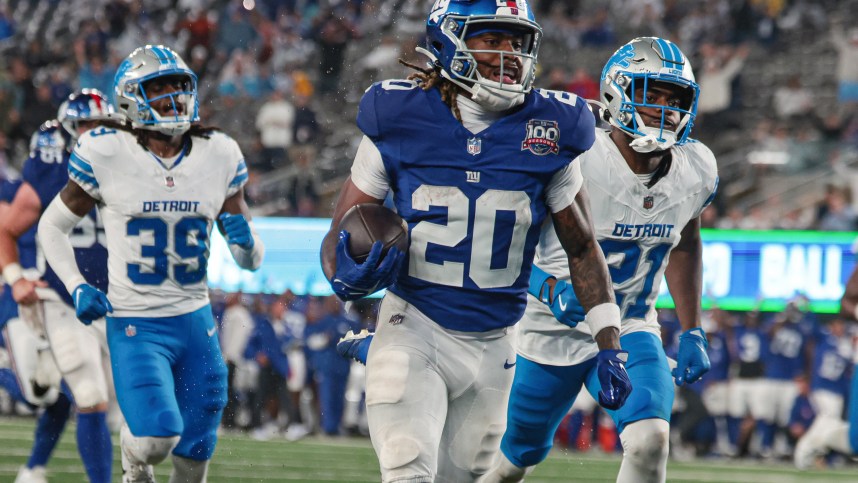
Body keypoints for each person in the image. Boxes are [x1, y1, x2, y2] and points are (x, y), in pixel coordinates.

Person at [321, 1, 630, 481]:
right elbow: (341, 230)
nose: (509, 55)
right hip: (414, 327)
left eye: (516, 41)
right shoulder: (397, 114)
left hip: (495, 346)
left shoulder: (552, 129)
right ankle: (378, 346)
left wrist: (609, 342)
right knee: (406, 466)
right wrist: (344, 276)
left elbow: (582, 248)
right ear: (449, 41)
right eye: (492, 39)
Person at [479, 37, 718, 483]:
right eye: (652, 95)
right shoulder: (579, 155)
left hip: (630, 327)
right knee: (512, 462)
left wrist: (692, 328)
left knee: (651, 442)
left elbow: (685, 240)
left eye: (674, 99)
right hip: (549, 330)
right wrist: (548, 287)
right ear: (617, 93)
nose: (665, 110)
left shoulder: (696, 168)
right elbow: (504, 241)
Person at [36, 45, 264, 483]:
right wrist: (76, 284)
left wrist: (247, 244)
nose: (173, 99)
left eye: (179, 88)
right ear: (129, 98)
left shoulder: (219, 153)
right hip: (137, 321)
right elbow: (51, 227)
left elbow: (249, 261)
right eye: (158, 89)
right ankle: (131, 455)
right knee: (157, 439)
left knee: (197, 449)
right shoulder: (106, 151)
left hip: (196, 321)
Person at [0, 90, 116, 483]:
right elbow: (8, 227)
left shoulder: (130, 159)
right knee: (64, 392)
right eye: (85, 126)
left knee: (93, 402)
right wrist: (15, 278)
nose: (93, 134)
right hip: (60, 295)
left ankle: (33, 469)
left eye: (101, 125)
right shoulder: (51, 165)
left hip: (119, 298)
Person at [1, 172, 72, 483]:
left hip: (55, 299)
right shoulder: (15, 190)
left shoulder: (81, 185)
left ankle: (33, 469)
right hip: (19, 294)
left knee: (65, 398)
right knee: (36, 394)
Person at [794, 263, 858, 469]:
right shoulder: (828, 338)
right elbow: (846, 300)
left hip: (838, 387)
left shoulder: (844, 344)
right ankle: (812, 444)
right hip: (825, 386)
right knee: (853, 439)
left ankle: (816, 442)